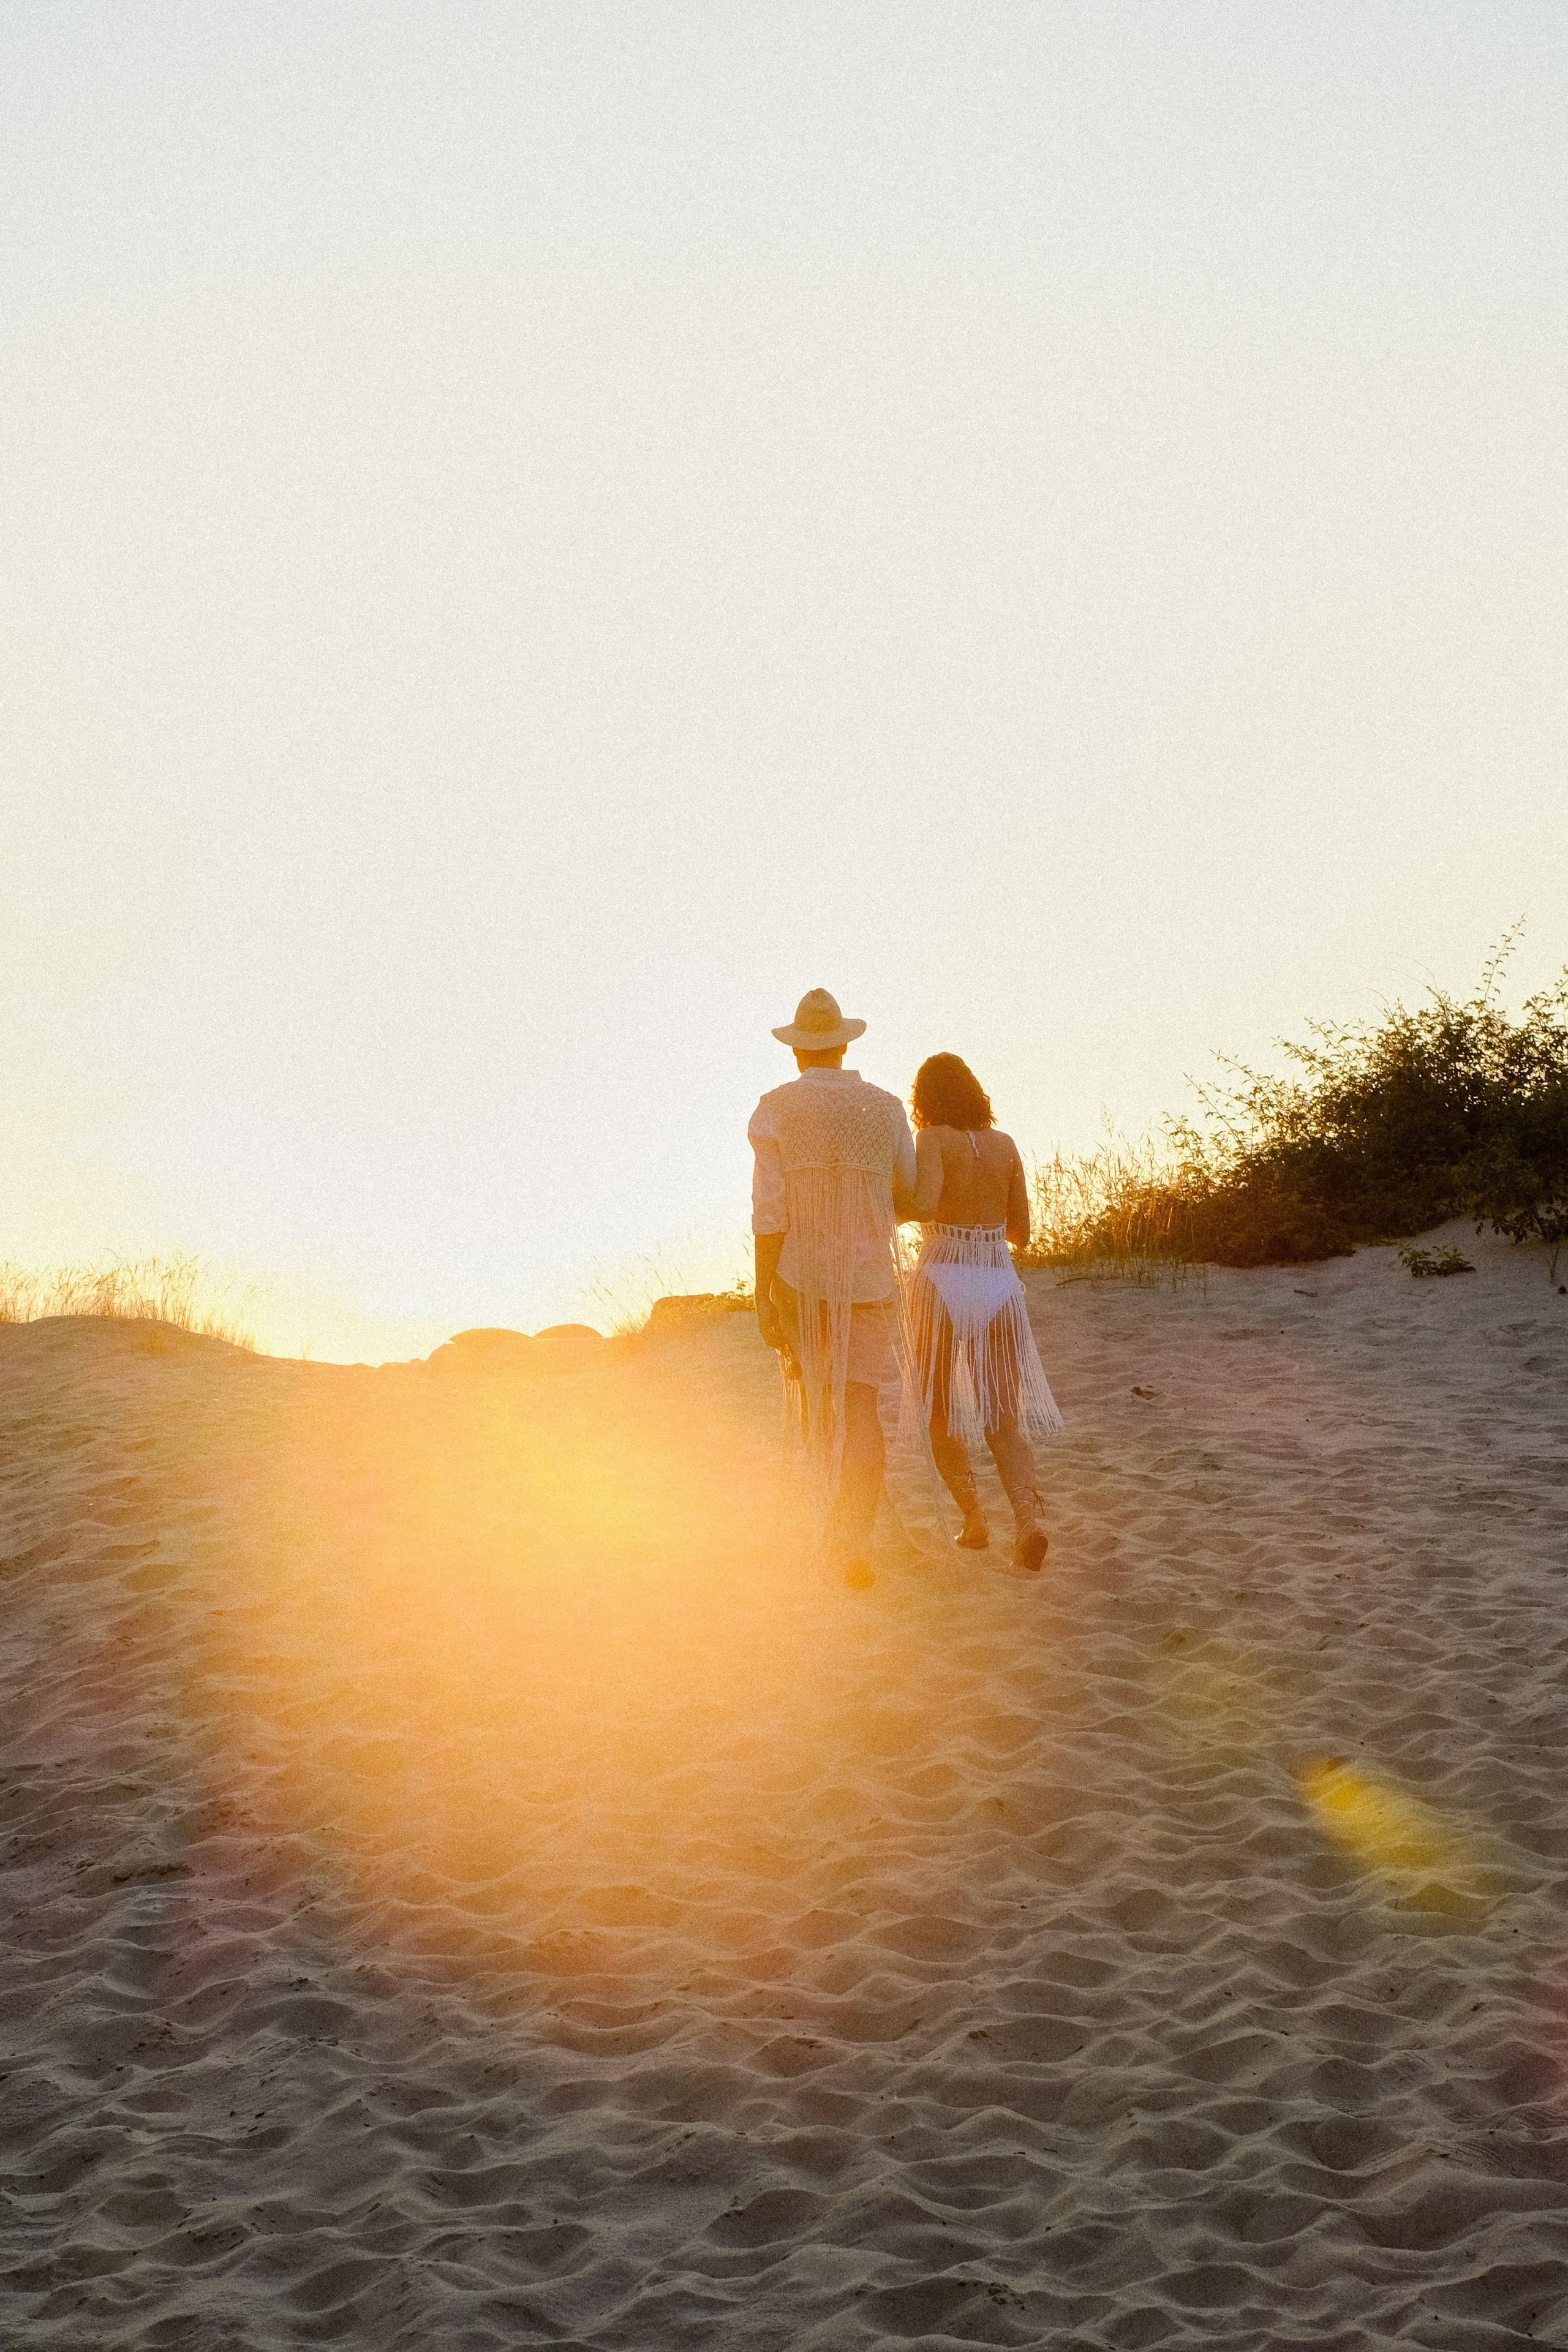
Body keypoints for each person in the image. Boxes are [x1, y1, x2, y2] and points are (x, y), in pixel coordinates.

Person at [750, 988, 917, 1589]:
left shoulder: (774, 1109)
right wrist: (860, 1197)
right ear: (844, 1047)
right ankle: (856, 1537)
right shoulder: (887, 1109)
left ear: (797, 1051)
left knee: (820, 1404)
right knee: (862, 1409)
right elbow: (906, 1193)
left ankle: (837, 1531)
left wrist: (762, 1292)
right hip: (869, 1278)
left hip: (803, 1278)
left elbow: (770, 1212)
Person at [906, 1052, 1063, 1570]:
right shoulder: (1005, 1145)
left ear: (925, 1099)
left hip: (943, 1273)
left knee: (940, 1411)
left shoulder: (932, 1139)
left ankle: (974, 1519)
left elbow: (924, 1204)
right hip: (996, 1278)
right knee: (1003, 1419)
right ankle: (1028, 1522)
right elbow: (1023, 1232)